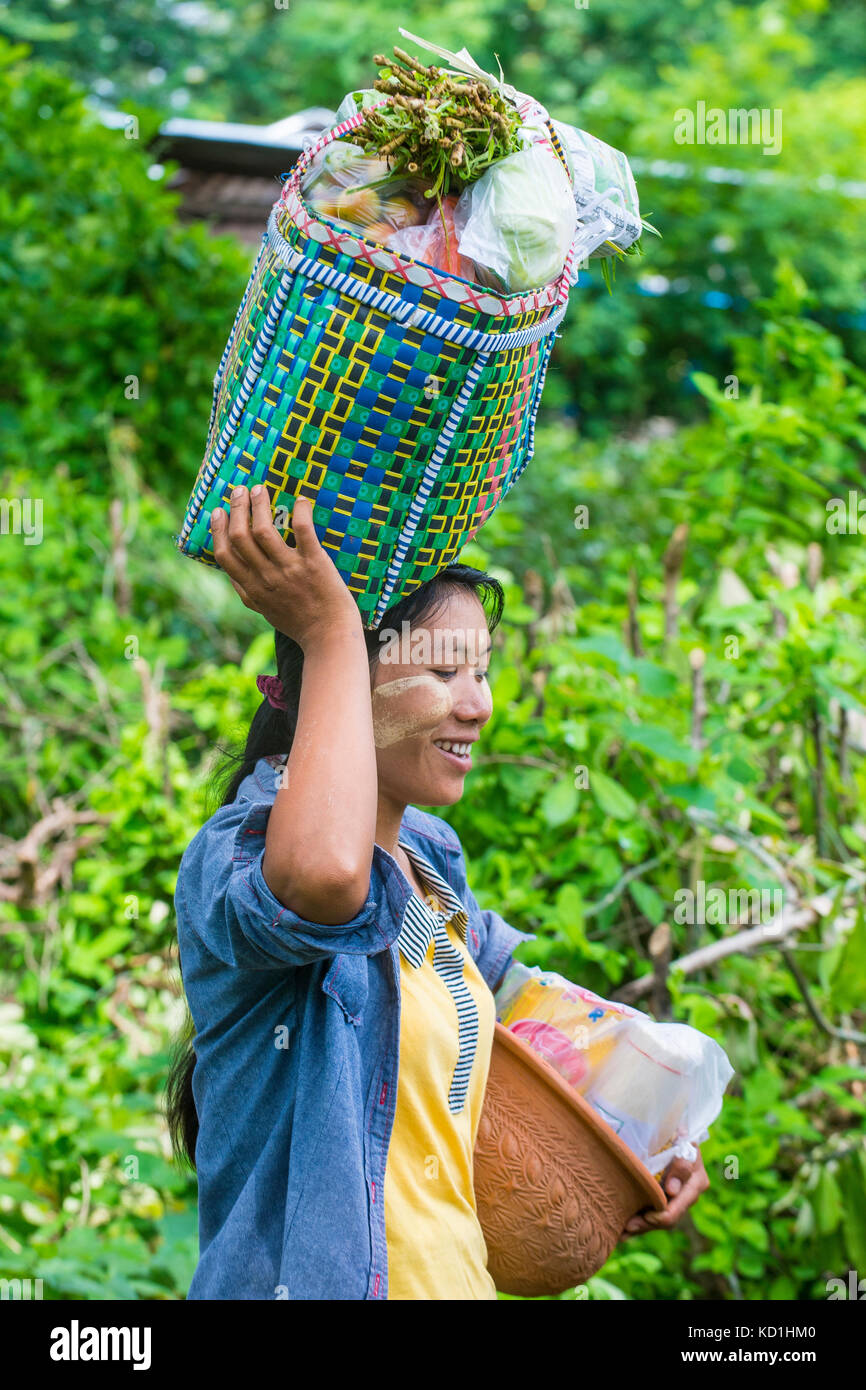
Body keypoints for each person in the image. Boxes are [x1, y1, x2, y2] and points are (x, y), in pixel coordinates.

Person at [166, 483, 708, 1300]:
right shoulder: (239, 856)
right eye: (445, 670)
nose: (479, 705)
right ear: (339, 679)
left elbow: (541, 1030)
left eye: (483, 671)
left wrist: (649, 1138)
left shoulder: (430, 861)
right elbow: (326, 881)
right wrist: (332, 635)